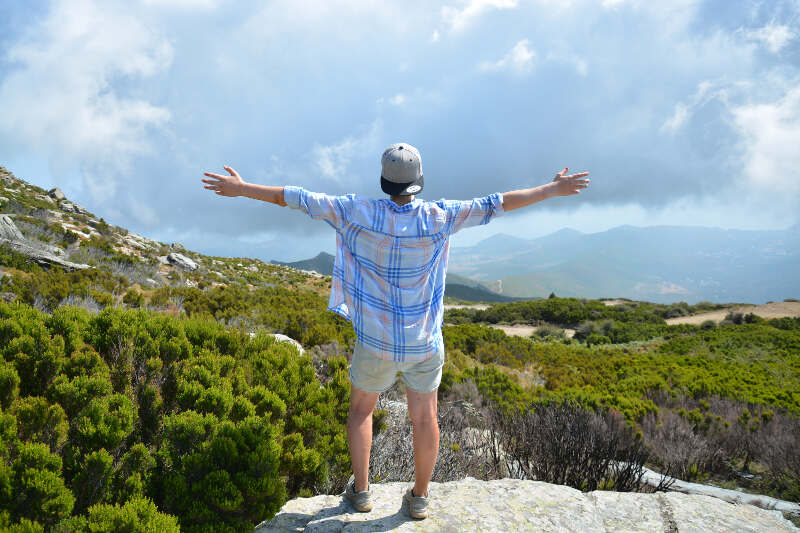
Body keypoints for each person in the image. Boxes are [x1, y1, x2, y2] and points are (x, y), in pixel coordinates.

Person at [202, 143, 590, 519]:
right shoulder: (440, 216)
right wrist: (554, 188)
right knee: (426, 418)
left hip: (375, 341)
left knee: (360, 413)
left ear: (384, 180)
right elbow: (498, 203)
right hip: (424, 342)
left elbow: (297, 198)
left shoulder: (354, 211)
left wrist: (242, 189)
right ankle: (420, 498)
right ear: (419, 179)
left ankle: (362, 492)